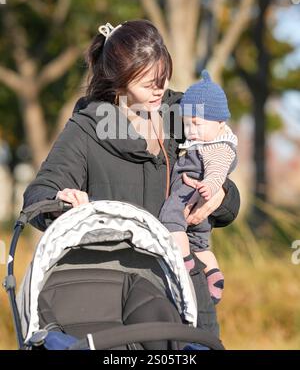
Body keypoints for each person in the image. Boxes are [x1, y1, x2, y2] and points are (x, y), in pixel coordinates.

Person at [23, 19, 240, 337]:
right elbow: (38, 194)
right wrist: (60, 204)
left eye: (163, 78)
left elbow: (226, 181)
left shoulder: (184, 114)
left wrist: (220, 197)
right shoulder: (87, 129)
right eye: (148, 83)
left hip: (181, 288)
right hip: (107, 293)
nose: (161, 89)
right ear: (118, 82)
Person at [159, 70, 238, 304]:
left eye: (197, 124)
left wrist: (211, 187)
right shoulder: (201, 140)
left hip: (190, 193)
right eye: (187, 124)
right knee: (199, 243)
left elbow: (217, 171)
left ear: (220, 123)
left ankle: (184, 265)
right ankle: (212, 274)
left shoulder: (218, 146)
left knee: (170, 220)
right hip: (198, 203)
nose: (191, 130)